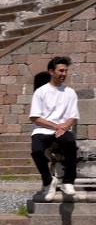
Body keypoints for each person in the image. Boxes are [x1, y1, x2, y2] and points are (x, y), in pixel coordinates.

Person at [30, 56, 79, 200]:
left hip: (62, 130)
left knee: (70, 144)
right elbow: (35, 117)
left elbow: (73, 117)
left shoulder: (70, 92)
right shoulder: (41, 92)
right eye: (61, 70)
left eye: (65, 71)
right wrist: (56, 126)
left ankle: (68, 182)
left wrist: (64, 127)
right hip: (42, 129)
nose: (64, 74)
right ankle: (48, 180)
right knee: (36, 150)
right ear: (51, 71)